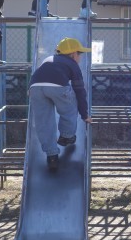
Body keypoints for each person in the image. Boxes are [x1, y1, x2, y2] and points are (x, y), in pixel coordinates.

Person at [29, 37, 93, 172]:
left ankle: (52, 156)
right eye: (80, 54)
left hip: (34, 87)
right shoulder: (72, 64)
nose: (80, 57)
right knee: (69, 109)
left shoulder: (48, 59)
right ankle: (67, 136)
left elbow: (39, 75)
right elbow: (80, 90)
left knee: (43, 121)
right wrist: (85, 114)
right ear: (73, 54)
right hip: (58, 87)